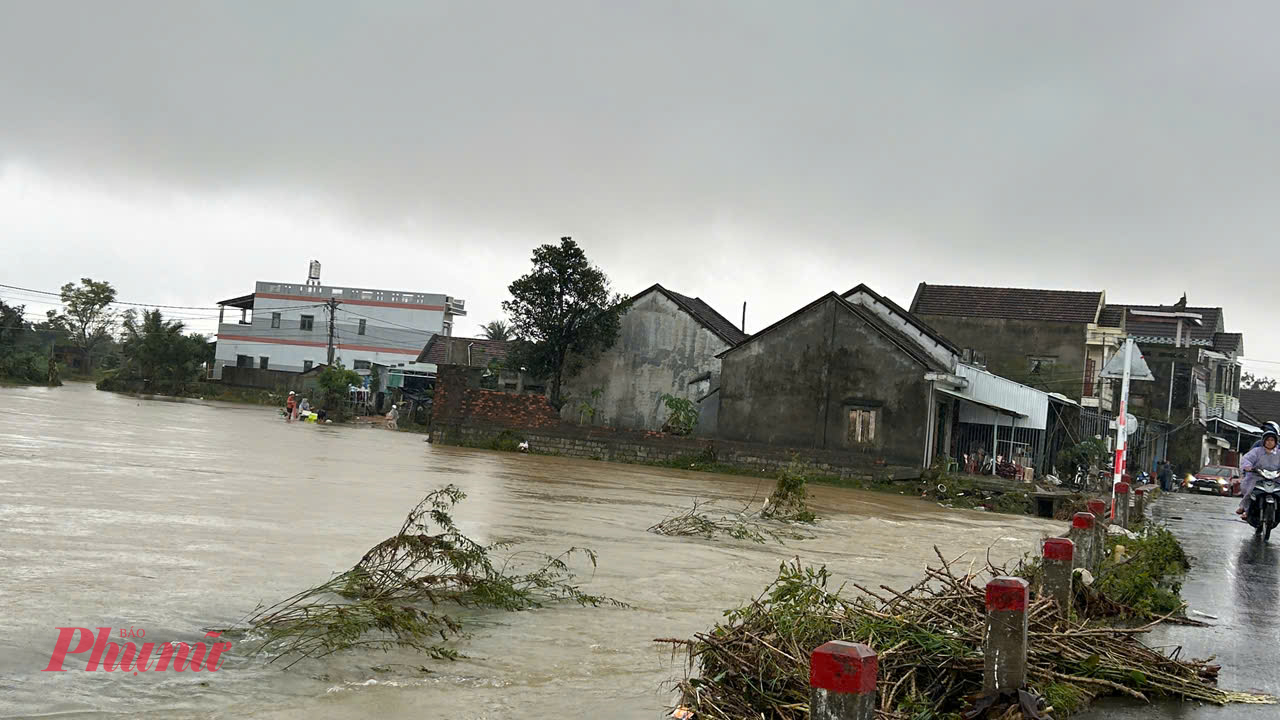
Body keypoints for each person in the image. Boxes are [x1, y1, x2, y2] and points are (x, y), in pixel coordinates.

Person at [1238, 424, 1280, 517]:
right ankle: (1246, 509)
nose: (1269, 442)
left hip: (1276, 477)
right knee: (1250, 490)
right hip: (1257, 476)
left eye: (1272, 440)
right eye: (1267, 440)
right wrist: (1248, 467)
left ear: (1276, 441)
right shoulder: (1257, 450)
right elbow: (1247, 459)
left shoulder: (1279, 452)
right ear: (1263, 441)